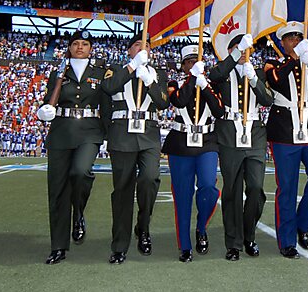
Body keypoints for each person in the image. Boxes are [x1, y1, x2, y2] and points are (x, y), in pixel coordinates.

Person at [36, 29, 108, 265]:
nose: (79, 47)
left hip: (89, 130)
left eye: (84, 44)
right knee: (57, 190)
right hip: (61, 132)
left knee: (81, 171)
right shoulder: (58, 71)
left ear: (90, 48)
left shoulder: (101, 70)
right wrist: (44, 109)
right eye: (75, 43)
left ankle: (78, 212)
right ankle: (58, 246)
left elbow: (106, 102)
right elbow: (50, 99)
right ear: (69, 47)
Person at [264, 21, 308, 259]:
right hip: (283, 129)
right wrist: (295, 58)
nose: (295, 41)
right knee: (288, 187)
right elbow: (276, 81)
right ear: (283, 42)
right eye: (290, 38)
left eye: (298, 37)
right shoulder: (274, 63)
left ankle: (302, 224)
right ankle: (287, 240)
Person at [101, 34, 169, 264]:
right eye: (138, 45)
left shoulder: (158, 74)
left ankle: (143, 226)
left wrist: (149, 81)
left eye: (147, 45)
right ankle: (119, 244)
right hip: (122, 134)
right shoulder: (115, 69)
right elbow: (108, 87)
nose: (143, 48)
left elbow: (162, 102)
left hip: (148, 134)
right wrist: (131, 67)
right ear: (130, 51)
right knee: (122, 190)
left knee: (150, 179)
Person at [208, 33, 273, 261]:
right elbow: (214, 75)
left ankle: (249, 234)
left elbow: (268, 100)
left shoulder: (258, 72)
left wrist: (254, 79)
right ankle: (233, 242)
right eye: (238, 48)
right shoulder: (223, 73)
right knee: (232, 190)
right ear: (230, 51)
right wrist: (235, 56)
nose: (244, 52)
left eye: (246, 49)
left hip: (254, 133)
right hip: (229, 134)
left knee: (256, 188)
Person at [162, 45, 224, 263]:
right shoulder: (174, 84)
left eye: (195, 62)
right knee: (182, 195)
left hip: (206, 142)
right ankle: (185, 246)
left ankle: (201, 227)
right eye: (188, 62)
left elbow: (219, 111)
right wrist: (191, 80)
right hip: (180, 144)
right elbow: (178, 100)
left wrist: (204, 86)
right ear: (183, 65)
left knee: (208, 186)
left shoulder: (212, 84)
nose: (192, 65)